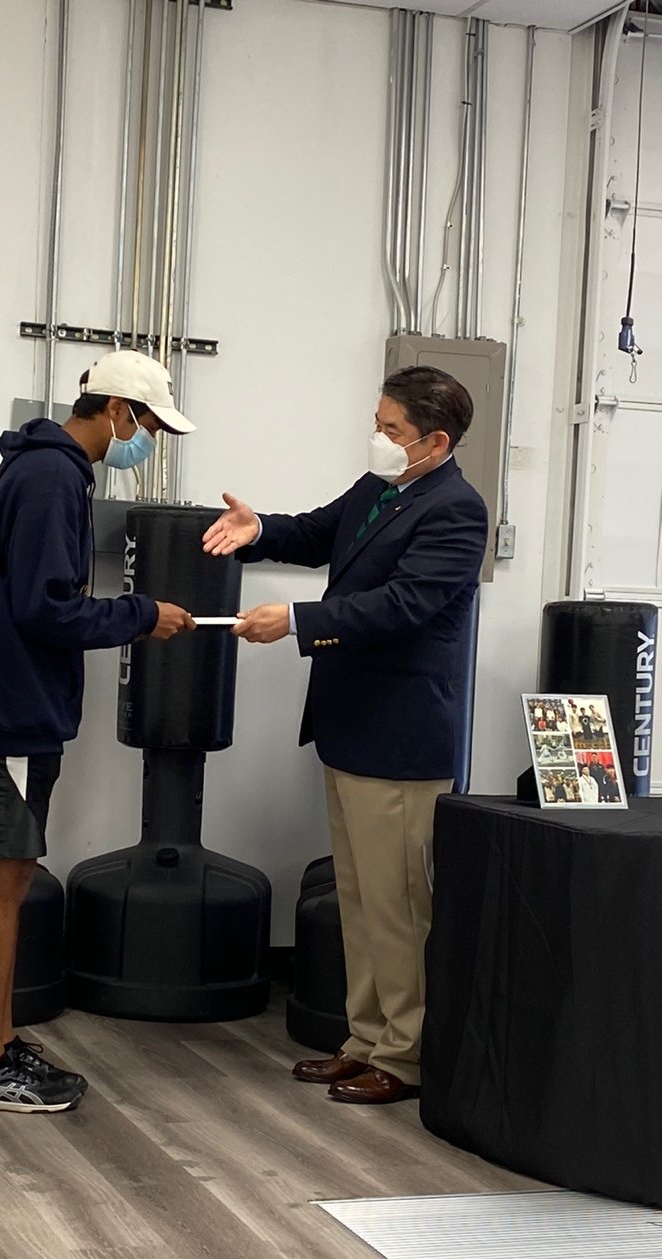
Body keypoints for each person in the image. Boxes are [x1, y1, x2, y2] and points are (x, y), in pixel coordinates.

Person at [202, 366, 487, 1105]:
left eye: (392, 429)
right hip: (350, 725)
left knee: (398, 907)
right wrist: (258, 530)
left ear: (435, 442)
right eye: (377, 423)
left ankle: (404, 1055)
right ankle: (364, 1040)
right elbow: (313, 532)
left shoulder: (456, 509)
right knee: (360, 901)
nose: (377, 438)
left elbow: (403, 605)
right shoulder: (381, 487)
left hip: (400, 737)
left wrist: (297, 622)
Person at [0, 349, 196, 1112]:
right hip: (11, 711)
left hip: (12, 704)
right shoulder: (53, 478)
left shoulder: (48, 471)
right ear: (116, 410)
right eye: (147, 425)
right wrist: (140, 615)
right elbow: (45, 608)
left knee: (10, 874)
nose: (146, 442)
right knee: (4, 879)